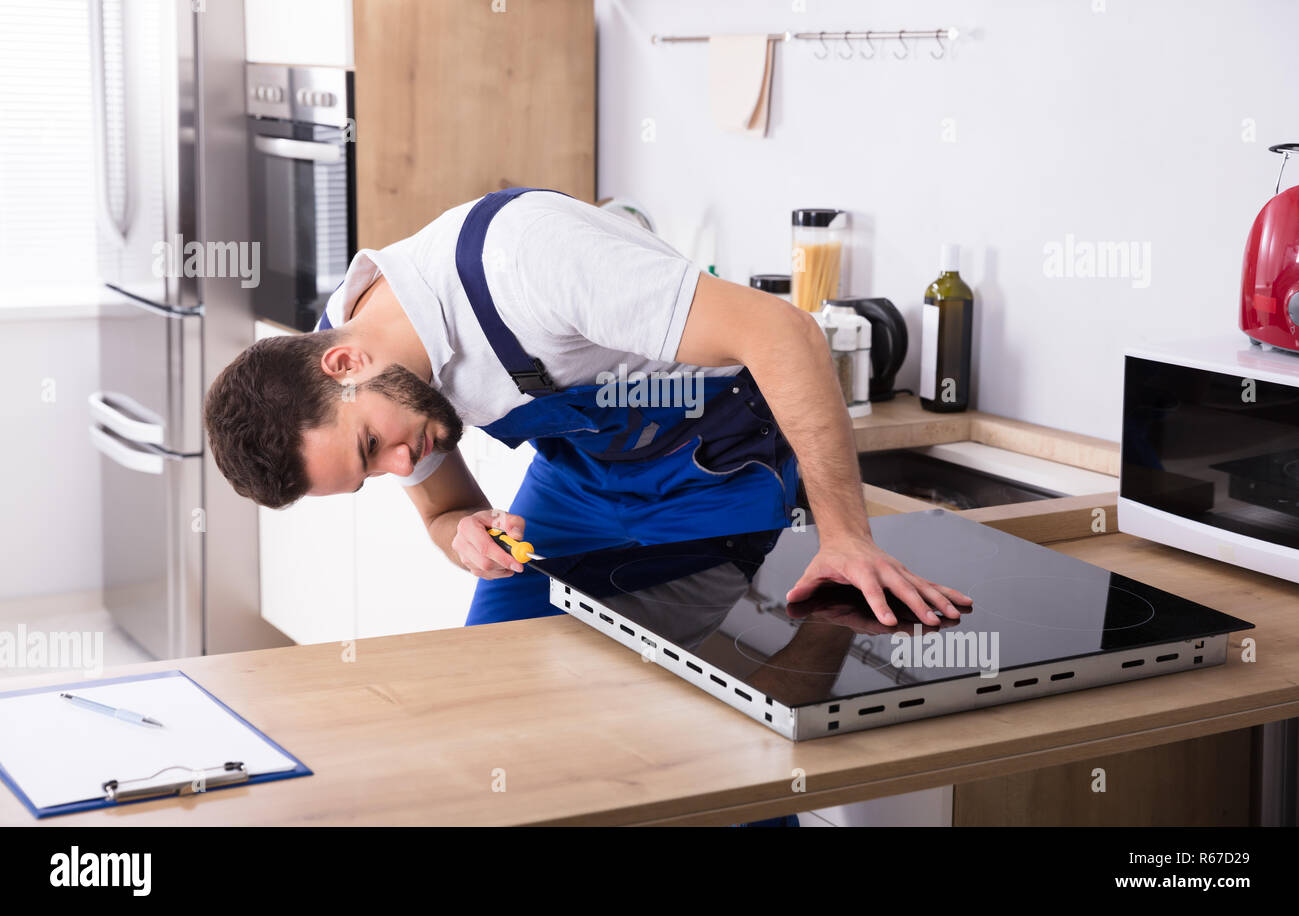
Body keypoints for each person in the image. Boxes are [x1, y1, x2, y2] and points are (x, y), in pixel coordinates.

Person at [204, 187, 971, 633]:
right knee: (500, 692)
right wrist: (459, 534)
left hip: (710, 473)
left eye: (375, 449)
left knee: (693, 719)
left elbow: (785, 334)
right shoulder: (354, 366)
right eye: (374, 474)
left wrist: (845, 536)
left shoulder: (530, 261)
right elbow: (445, 509)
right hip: (581, 481)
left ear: (345, 364)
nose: (405, 467)